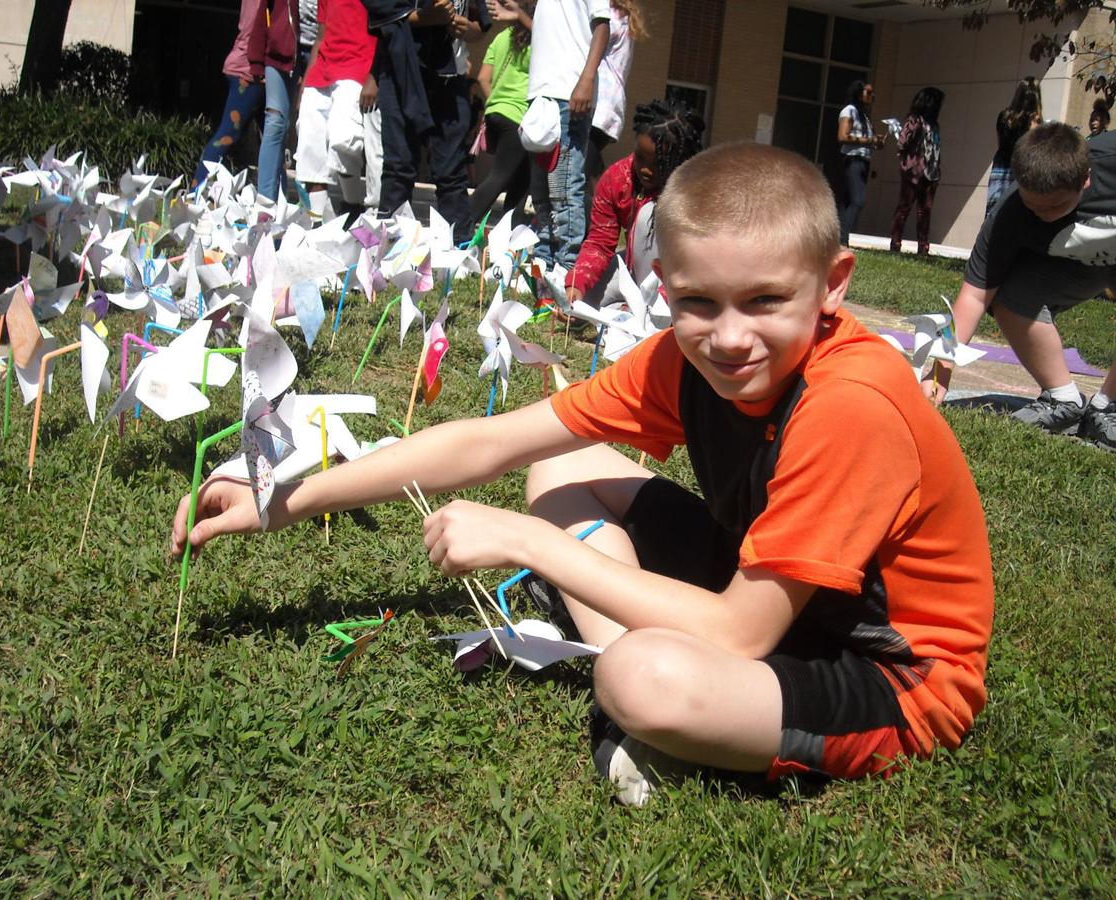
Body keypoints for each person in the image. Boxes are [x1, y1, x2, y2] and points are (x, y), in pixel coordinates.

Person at [172, 141, 995, 807]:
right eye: (698, 303)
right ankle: (651, 706)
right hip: (776, 581)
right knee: (563, 459)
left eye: (765, 301)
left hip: (887, 669)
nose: (729, 336)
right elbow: (493, 443)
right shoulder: (681, 360)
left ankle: (645, 705)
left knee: (639, 675)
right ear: (664, 287)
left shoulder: (851, 403)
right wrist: (288, 496)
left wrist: (533, 542)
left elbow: (742, 635)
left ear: (833, 286)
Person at [924, 122, 1116, 451]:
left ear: (1085, 179)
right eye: (1032, 205)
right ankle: (1063, 401)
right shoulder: (1010, 214)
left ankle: (1107, 407)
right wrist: (940, 373)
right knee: (1009, 295)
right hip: (1073, 266)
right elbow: (972, 297)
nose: (1040, 214)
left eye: (1054, 206)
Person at [490, 0, 611, 270]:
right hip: (541, 97)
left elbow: (603, 27)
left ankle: (568, 265)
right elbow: (556, 38)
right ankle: (545, 258)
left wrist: (587, 79)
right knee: (541, 189)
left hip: (569, 95)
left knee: (564, 186)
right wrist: (521, 16)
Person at [368, 0, 491, 243]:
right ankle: (390, 249)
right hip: (401, 74)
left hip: (450, 80)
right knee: (399, 165)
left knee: (451, 171)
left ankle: (457, 251)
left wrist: (467, 29)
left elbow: (479, 25)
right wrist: (426, 17)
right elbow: (382, 11)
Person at [565, 98, 704, 306]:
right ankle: (627, 305)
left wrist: (657, 300)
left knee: (649, 214)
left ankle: (646, 308)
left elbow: (693, 262)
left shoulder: (692, 193)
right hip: (632, 270)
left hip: (679, 281)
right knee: (582, 304)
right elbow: (599, 243)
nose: (645, 170)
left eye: (658, 163)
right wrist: (577, 283)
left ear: (679, 159)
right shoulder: (616, 178)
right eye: (640, 158)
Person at [294, 0, 383, 220]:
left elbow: (386, 29)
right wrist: (305, 83)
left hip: (358, 67)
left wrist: (374, 75)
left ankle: (351, 205)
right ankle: (316, 220)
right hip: (321, 69)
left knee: (343, 140)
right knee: (308, 143)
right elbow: (321, 35)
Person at [465, 0, 534, 233]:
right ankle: (460, 227)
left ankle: (509, 236)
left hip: (496, 112)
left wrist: (497, 100)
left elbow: (483, 78)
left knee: (522, 179)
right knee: (501, 177)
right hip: (520, 116)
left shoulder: (502, 37)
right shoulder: (540, 43)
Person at [192, 0, 267, 190]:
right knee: (228, 134)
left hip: (255, 68)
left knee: (273, 142)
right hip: (250, 69)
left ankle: (272, 199)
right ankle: (195, 193)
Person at [584, 0, 645, 219]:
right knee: (592, 171)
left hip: (599, 102)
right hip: (609, 104)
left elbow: (587, 40)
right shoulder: (625, 16)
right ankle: (616, 214)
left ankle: (601, 225)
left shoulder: (610, 16)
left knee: (579, 173)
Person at [255, 0, 302, 202]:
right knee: (275, 122)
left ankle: (311, 206)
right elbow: (260, 13)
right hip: (280, 54)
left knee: (300, 126)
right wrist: (256, 61)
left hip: (320, 53)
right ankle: (265, 201)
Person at [889, 87, 944, 256]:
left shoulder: (934, 125)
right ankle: (896, 242)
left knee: (925, 210)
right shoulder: (914, 121)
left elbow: (935, 148)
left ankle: (923, 246)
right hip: (913, 173)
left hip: (931, 173)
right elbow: (902, 143)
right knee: (904, 208)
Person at [836, 80, 884, 245]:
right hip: (852, 160)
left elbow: (869, 140)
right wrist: (868, 140)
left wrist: (876, 141)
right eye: (869, 93)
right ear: (859, 93)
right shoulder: (849, 111)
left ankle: (840, 239)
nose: (872, 96)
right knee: (858, 200)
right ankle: (842, 240)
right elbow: (842, 136)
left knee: (848, 201)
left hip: (864, 161)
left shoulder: (865, 117)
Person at [986, 76, 1041, 218]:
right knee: (1015, 215)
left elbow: (1000, 143)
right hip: (1021, 171)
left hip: (1000, 166)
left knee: (994, 211)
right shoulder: (1036, 122)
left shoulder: (1004, 116)